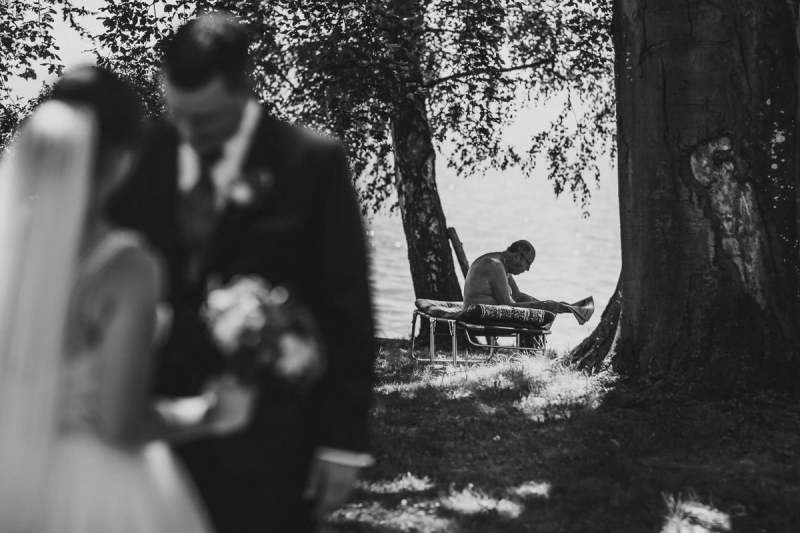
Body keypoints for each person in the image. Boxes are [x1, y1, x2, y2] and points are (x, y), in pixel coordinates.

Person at [109, 12, 376, 533]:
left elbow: (345, 305)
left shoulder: (310, 162)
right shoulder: (142, 158)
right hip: (155, 434)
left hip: (271, 437)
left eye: (205, 119)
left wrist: (343, 443)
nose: (189, 131)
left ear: (243, 90)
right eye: (177, 113)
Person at [0, 66, 253, 533]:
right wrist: (210, 413)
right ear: (121, 157)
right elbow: (120, 424)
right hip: (86, 488)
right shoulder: (125, 266)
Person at [463, 240, 595, 324]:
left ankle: (530, 356)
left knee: (544, 309)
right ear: (517, 256)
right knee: (537, 314)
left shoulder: (503, 266)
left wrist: (553, 305)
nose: (527, 269)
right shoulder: (494, 265)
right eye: (528, 263)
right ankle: (528, 357)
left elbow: (518, 296)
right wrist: (545, 306)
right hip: (478, 315)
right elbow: (507, 304)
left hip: (487, 314)